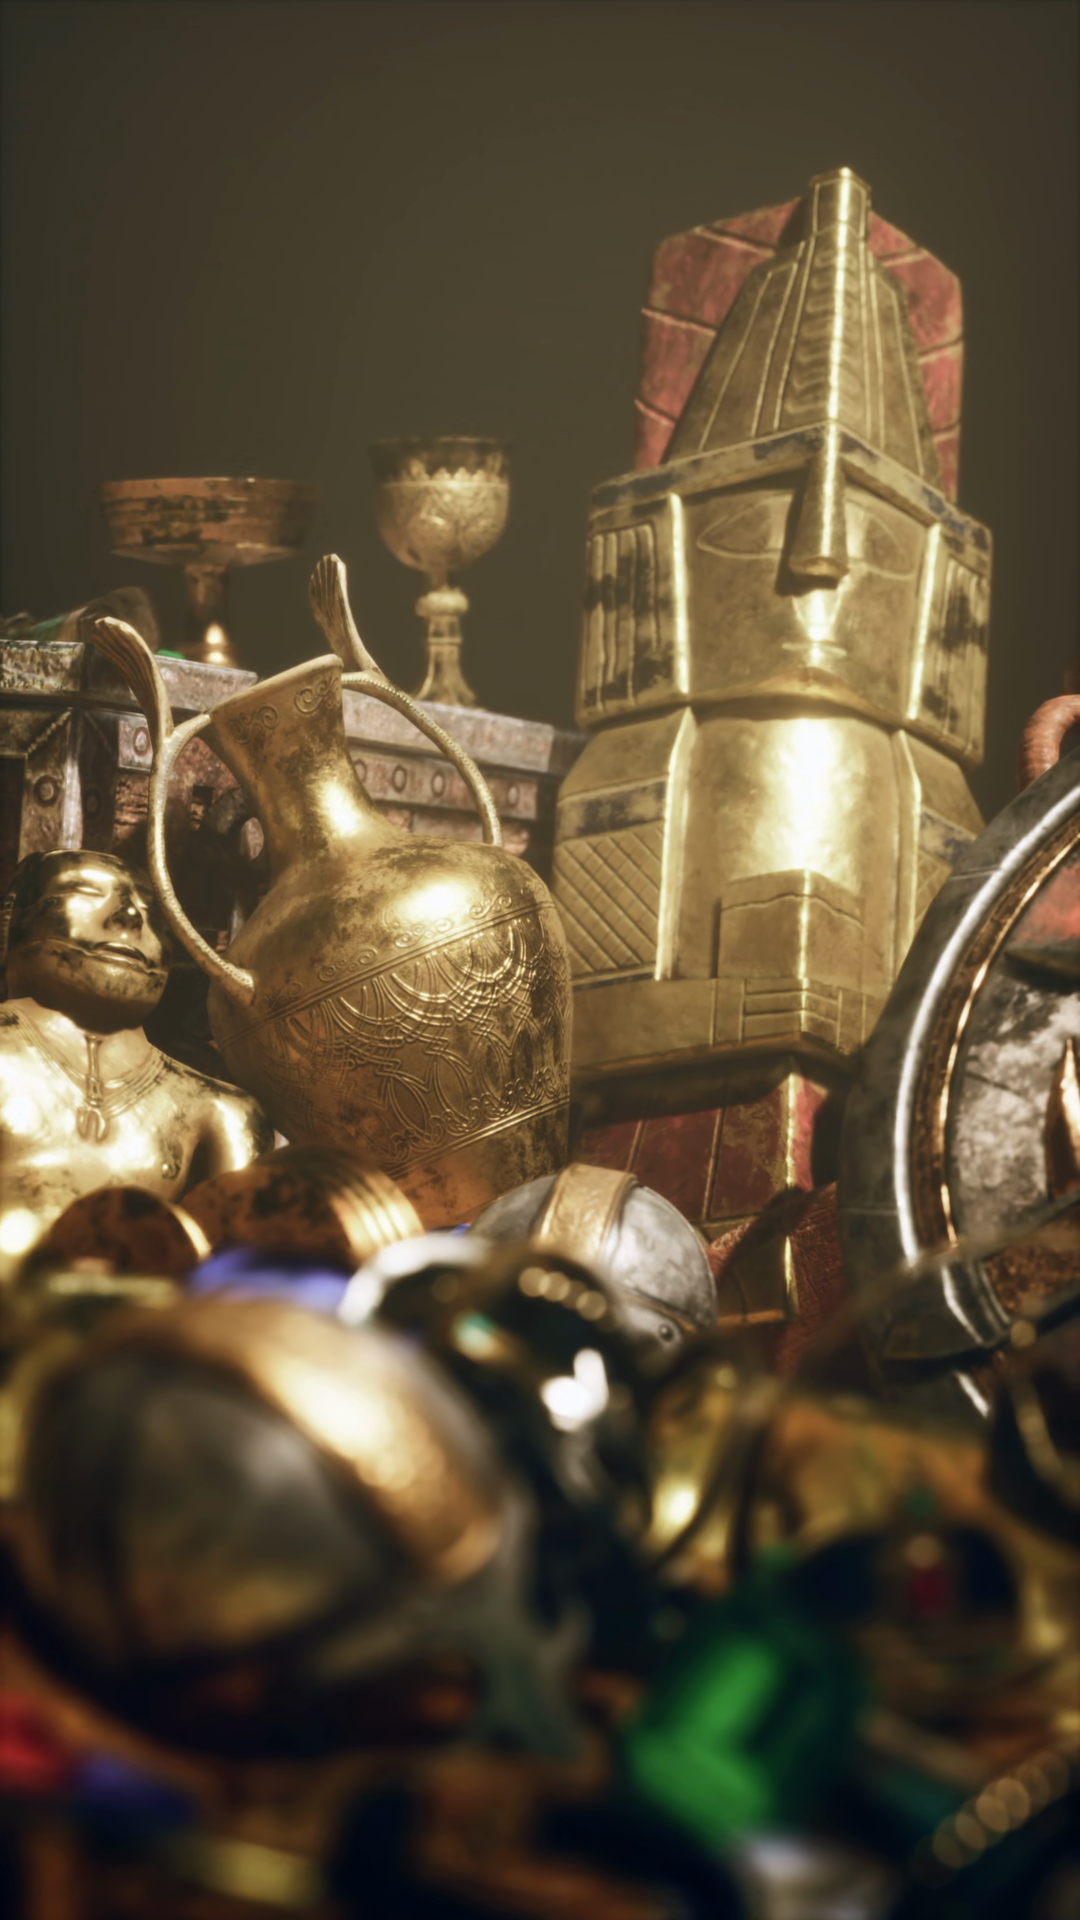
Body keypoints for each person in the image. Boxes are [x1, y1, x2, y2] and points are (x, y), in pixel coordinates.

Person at [0, 849, 271, 1232]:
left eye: (153, 913)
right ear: (11, 923)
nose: (129, 915)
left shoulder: (218, 1111)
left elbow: (233, 1255)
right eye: (85, 891)